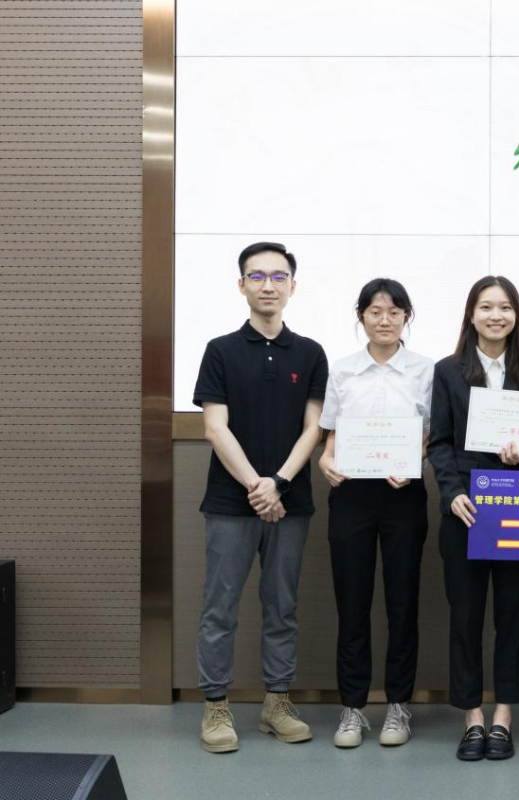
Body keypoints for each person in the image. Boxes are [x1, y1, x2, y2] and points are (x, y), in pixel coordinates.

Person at [192, 241, 327, 754]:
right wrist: (258, 485)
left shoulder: (310, 353)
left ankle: (276, 703)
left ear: (293, 285)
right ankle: (215, 706)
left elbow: (314, 428)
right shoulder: (220, 350)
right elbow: (214, 427)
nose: (268, 285)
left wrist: (280, 484)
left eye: (278, 276)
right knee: (220, 607)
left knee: (282, 606)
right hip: (231, 504)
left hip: (289, 503)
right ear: (241, 285)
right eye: (257, 276)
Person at [427, 276, 519, 761]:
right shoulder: (448, 370)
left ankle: (503, 716)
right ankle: (472, 717)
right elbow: (439, 442)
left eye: (505, 307)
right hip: (465, 509)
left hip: (516, 508)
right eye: (486, 307)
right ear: (471, 314)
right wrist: (452, 493)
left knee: (513, 614)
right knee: (465, 615)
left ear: (516, 315)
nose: (496, 316)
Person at [317, 278, 434, 749]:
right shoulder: (343, 369)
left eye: (394, 312)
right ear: (361, 316)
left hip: (403, 494)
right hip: (351, 495)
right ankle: (352, 708)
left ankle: (399, 706)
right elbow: (331, 434)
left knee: (403, 604)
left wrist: (414, 460)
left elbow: (431, 433)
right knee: (352, 605)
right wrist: (326, 461)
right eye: (374, 312)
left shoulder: (426, 370)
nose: (384, 320)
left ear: (406, 317)